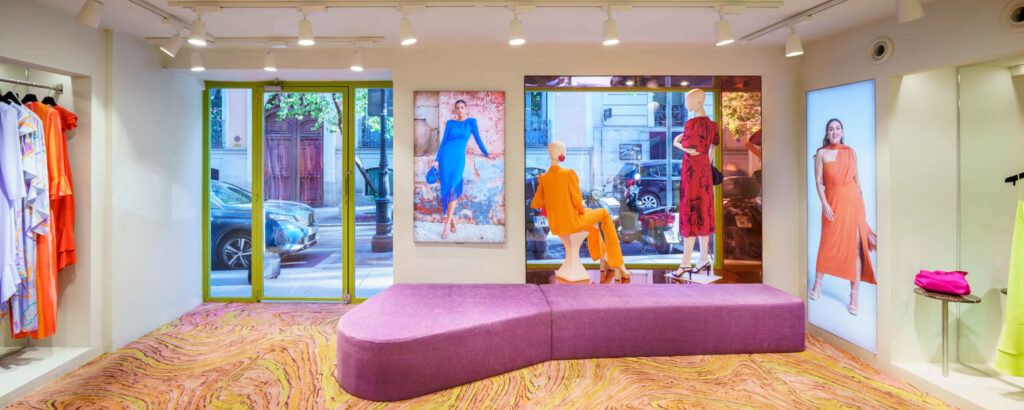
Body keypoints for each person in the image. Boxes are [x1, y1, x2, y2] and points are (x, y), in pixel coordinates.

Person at [531, 141, 631, 282]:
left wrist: (554, 200)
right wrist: (578, 210)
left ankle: (603, 257)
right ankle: (618, 264)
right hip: (572, 223)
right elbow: (578, 203)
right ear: (562, 155)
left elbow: (536, 203)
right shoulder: (568, 174)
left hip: (557, 225)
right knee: (604, 214)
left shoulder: (543, 178)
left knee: (591, 216)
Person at [810, 118, 877, 315]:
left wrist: (861, 208)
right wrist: (824, 204)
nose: (834, 131)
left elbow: (857, 179)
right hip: (832, 203)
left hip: (853, 203)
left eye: (837, 128)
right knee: (826, 243)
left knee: (856, 247)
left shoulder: (850, 152)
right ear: (827, 133)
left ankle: (854, 295)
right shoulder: (821, 154)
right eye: (831, 129)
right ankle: (818, 285)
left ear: (842, 131)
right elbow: (818, 182)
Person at [670, 89, 719, 280]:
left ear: (698, 102)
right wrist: (708, 163)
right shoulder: (713, 125)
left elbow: (692, 150)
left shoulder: (692, 124)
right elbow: (713, 146)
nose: (686, 104)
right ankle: (704, 258)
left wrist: (676, 143)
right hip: (704, 173)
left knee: (690, 213)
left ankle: (685, 264)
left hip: (692, 174)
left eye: (688, 101)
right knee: (703, 212)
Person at [431, 99, 493, 239]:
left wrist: (487, 153)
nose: (459, 110)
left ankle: (446, 224)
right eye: (457, 108)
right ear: (455, 110)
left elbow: (478, 139)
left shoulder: (471, 122)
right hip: (446, 157)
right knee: (447, 189)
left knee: (453, 188)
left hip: (458, 159)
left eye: (462, 107)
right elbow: (443, 143)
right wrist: (437, 160)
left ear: (466, 109)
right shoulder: (451, 123)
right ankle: (452, 221)